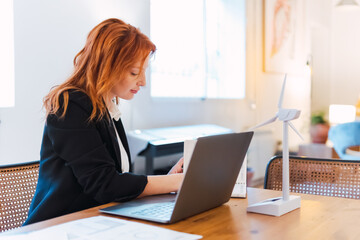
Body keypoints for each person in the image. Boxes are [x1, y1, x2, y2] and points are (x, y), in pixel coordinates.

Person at [24, 18, 184, 225]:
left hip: (95, 221)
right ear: (107, 66)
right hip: (59, 225)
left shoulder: (106, 107)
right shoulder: (70, 104)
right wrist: (174, 182)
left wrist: (169, 181)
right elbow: (105, 185)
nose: (143, 82)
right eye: (134, 72)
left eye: (144, 72)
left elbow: (118, 178)